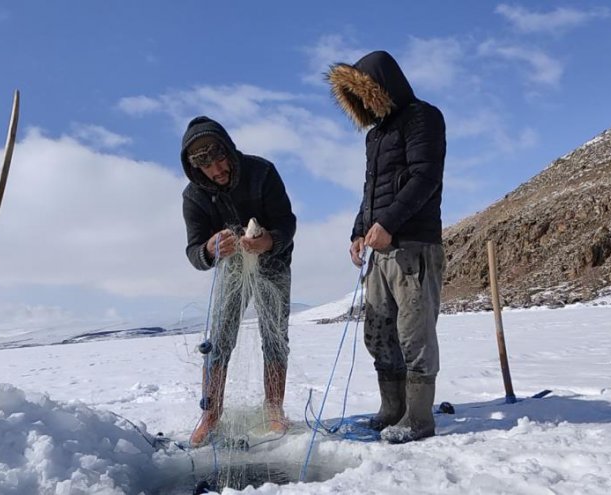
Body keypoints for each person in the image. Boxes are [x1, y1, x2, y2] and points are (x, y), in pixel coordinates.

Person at [326, 50, 446, 443]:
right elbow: (370, 190)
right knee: (379, 333)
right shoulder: (376, 136)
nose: (363, 105)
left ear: (379, 88)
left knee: (415, 335)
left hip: (413, 246)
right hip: (380, 251)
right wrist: (359, 231)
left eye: (365, 95)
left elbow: (424, 176)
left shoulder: (423, 117)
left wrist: (389, 224)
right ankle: (392, 408)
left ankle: (418, 418)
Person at [180, 116, 297, 447]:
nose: (217, 170)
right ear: (195, 169)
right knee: (218, 338)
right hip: (231, 269)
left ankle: (273, 407)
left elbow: (287, 223)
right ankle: (211, 415)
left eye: (220, 160)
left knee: (275, 335)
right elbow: (193, 251)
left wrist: (268, 242)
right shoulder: (193, 197)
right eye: (207, 167)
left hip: (273, 262)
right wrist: (209, 248)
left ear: (229, 151)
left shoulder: (262, 172)